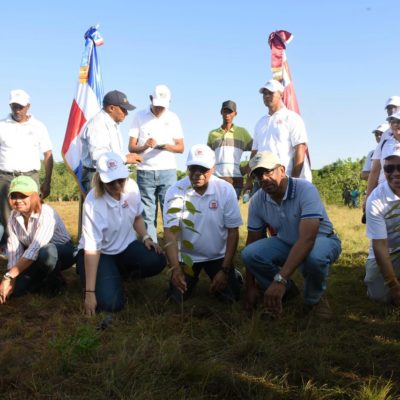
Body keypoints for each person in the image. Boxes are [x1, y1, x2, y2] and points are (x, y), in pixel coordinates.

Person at [241, 151, 341, 318]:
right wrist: (250, 287)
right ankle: (286, 293)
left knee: (315, 257)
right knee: (250, 254)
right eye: (258, 175)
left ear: (282, 169)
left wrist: (280, 278)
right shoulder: (258, 200)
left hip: (321, 240)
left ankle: (314, 300)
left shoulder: (305, 189)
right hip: (286, 242)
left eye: (268, 171)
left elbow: (308, 239)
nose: (264, 179)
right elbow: (252, 241)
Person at [77, 152, 166, 315]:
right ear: (101, 179)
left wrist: (146, 237)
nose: (118, 186)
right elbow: (92, 249)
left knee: (157, 259)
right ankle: (90, 275)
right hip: (100, 253)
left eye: (121, 179)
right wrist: (90, 293)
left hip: (126, 247)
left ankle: (117, 275)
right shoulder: (92, 202)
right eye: (111, 182)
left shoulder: (132, 187)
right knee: (112, 305)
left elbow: (137, 217)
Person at [163, 144, 243, 303]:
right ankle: (190, 278)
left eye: (203, 168)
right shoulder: (175, 190)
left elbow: (233, 232)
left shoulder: (225, 190)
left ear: (213, 168)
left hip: (217, 255)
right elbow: (170, 232)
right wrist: (176, 269)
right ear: (187, 168)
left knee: (230, 297)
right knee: (176, 299)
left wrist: (225, 270)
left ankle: (233, 274)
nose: (197, 174)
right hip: (187, 257)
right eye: (193, 168)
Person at [0, 176, 74, 304]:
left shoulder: (46, 213)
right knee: (16, 291)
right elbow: (14, 250)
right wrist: (11, 278)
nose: (18, 200)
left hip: (61, 252)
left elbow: (36, 248)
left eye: (23, 196)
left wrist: (9, 276)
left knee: (46, 251)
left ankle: (57, 284)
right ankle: (43, 278)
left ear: (35, 196)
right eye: (14, 196)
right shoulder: (13, 216)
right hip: (34, 256)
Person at [128, 84, 184, 242]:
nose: (160, 109)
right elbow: (131, 146)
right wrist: (145, 145)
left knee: (172, 212)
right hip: (145, 171)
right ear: (150, 99)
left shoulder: (173, 117)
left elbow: (181, 147)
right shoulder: (139, 116)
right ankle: (153, 251)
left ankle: (173, 252)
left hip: (168, 172)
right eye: (157, 105)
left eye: (163, 106)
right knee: (147, 214)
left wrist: (167, 146)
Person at [0, 89, 53, 251]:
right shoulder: (1, 125)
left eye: (21, 107)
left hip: (30, 176)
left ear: (28, 106)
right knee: (6, 215)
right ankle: (11, 248)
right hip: (6, 177)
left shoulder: (38, 126)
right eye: (14, 106)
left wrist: (47, 181)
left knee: (33, 212)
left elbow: (48, 153)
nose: (17, 110)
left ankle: (34, 246)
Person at [246, 80, 312, 194]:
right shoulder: (260, 123)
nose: (266, 96)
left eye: (270, 93)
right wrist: (249, 180)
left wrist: (293, 181)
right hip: (263, 180)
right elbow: (254, 153)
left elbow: (300, 149)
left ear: (281, 94)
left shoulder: (292, 118)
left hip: (285, 178)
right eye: (264, 93)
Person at [80, 90, 143, 193]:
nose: (126, 113)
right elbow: (99, 157)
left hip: (108, 172)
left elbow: (111, 153)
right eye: (123, 109)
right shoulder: (98, 124)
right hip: (97, 176)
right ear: (111, 108)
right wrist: (125, 158)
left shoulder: (111, 124)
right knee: (99, 208)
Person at [364, 142, 400, 305]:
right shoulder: (376, 199)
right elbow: (380, 245)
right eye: (389, 168)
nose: (395, 173)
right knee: (378, 296)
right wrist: (393, 285)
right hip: (389, 250)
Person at [207, 100, 252, 199]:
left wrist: (246, 167)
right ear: (221, 112)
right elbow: (207, 158)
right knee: (215, 211)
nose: (227, 114)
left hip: (235, 180)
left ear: (235, 114)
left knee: (232, 212)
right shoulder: (212, 134)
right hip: (216, 180)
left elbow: (256, 151)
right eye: (225, 111)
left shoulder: (242, 132)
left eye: (230, 112)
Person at [366, 112, 400, 202]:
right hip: (383, 195)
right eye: (393, 122)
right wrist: (368, 198)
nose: (396, 124)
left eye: (399, 121)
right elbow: (374, 171)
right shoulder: (384, 143)